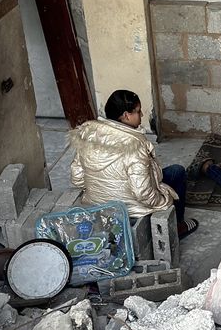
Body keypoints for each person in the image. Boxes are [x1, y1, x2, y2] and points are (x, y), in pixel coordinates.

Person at [70, 89, 198, 239]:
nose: (142, 115)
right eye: (138, 111)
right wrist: (166, 200)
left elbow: (77, 178)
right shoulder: (135, 145)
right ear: (126, 115)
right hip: (130, 209)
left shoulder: (88, 134)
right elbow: (143, 193)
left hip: (97, 204)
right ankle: (176, 228)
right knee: (177, 171)